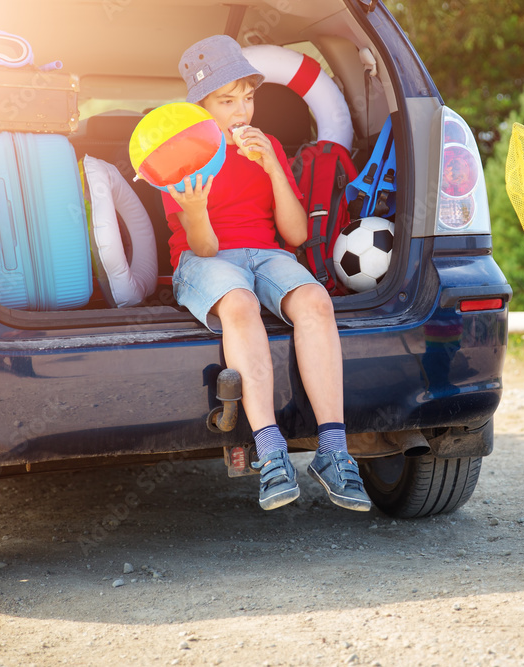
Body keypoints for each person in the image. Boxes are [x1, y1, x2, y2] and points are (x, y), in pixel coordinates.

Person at [163, 35, 370, 512]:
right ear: (200, 105)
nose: (242, 112)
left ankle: (333, 451)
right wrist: (194, 209)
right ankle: (271, 448)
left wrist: (274, 164)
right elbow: (205, 246)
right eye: (226, 101)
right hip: (206, 259)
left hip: (266, 252)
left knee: (316, 302)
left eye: (249, 97)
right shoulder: (178, 153)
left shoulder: (268, 143)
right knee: (240, 303)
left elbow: (295, 235)